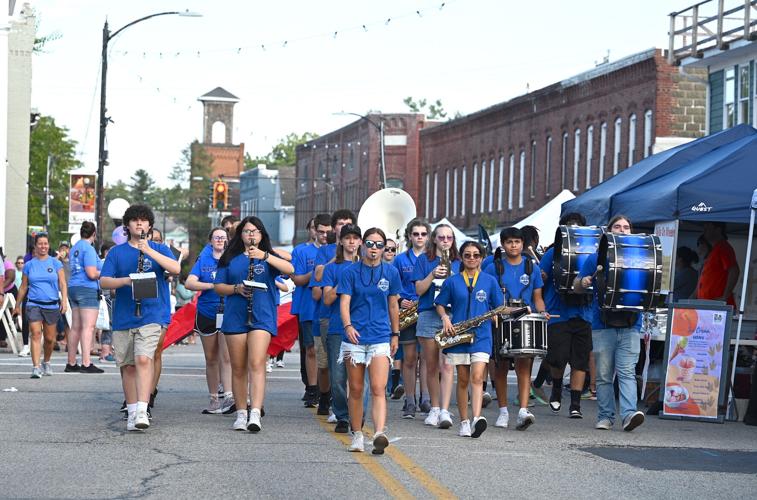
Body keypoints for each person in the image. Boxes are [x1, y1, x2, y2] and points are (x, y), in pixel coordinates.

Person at [100, 204, 179, 431]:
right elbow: (104, 281)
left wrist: (149, 250)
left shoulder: (159, 248)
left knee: (144, 358)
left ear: (150, 225)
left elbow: (175, 268)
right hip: (124, 315)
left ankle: (143, 409)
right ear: (127, 225)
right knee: (128, 366)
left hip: (152, 314)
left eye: (143, 220)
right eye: (134, 220)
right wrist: (126, 281)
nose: (139, 224)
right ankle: (132, 411)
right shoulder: (117, 252)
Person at [214, 216, 294, 432]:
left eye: (255, 231)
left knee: (257, 363)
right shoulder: (230, 257)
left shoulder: (268, 256)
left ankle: (255, 412)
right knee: (238, 367)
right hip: (235, 316)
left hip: (262, 315)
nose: (251, 235)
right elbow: (218, 286)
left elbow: (290, 269)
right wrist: (236, 289)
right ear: (240, 234)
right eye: (247, 231)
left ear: (262, 235)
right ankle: (241, 412)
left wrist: (265, 256)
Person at [574, 214, 645, 432]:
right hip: (602, 324)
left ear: (630, 231)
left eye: (626, 227)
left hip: (631, 323)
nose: (622, 230)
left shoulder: (641, 257)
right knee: (604, 375)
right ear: (609, 230)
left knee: (626, 371)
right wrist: (583, 282)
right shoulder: (597, 257)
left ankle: (628, 415)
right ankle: (605, 416)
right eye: (618, 226)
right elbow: (577, 284)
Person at [339, 227, 401, 454]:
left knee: (378, 387)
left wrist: (396, 334)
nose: (374, 248)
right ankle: (356, 434)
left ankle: (379, 433)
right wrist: (348, 326)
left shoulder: (391, 273)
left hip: (381, 336)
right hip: (355, 337)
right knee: (355, 388)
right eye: (370, 243)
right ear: (363, 245)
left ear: (385, 248)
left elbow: (393, 304)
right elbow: (344, 302)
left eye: (379, 244)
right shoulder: (350, 272)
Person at [436, 241, 503, 438]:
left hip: (481, 335)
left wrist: (518, 311)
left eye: (475, 255)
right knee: (463, 380)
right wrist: (445, 317)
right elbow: (439, 304)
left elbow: (499, 306)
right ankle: (464, 421)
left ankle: (476, 419)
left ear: (481, 258)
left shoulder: (490, 281)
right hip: (458, 335)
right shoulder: (452, 281)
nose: (472, 258)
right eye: (467, 255)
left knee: (477, 376)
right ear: (462, 258)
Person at [484, 227, 546, 430]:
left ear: (522, 244)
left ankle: (523, 410)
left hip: (525, 319)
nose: (513, 245)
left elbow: (537, 298)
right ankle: (503, 411)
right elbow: (486, 294)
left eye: (517, 242)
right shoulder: (493, 267)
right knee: (500, 366)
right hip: (501, 319)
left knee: (524, 365)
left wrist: (542, 312)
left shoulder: (532, 267)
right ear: (503, 245)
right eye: (509, 242)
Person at [539, 213, 593, 419]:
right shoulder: (553, 253)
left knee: (580, 361)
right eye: (569, 228)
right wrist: (541, 276)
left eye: (577, 228)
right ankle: (556, 389)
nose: (573, 231)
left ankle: (576, 404)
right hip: (557, 313)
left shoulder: (590, 253)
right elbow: (540, 279)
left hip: (583, 313)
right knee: (557, 359)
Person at [412, 224, 460, 429]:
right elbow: (419, 290)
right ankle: (434, 406)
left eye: (449, 238)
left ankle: (445, 410)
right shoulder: (424, 260)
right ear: (434, 239)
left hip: (452, 315)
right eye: (441, 238)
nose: (445, 241)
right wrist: (432, 275)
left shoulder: (459, 261)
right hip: (429, 313)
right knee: (431, 365)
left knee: (447, 364)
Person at [186, 227, 236, 415]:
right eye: (216, 237)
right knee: (211, 358)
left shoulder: (232, 259)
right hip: (207, 312)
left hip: (228, 311)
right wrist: (212, 286)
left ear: (228, 240)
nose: (220, 240)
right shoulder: (204, 259)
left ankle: (229, 396)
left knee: (226, 356)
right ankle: (214, 398)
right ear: (210, 240)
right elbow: (190, 283)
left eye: (223, 237)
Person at [309, 211, 356, 410]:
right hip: (330, 318)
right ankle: (328, 399)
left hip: (359, 321)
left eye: (355, 238)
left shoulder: (365, 261)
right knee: (329, 366)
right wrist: (338, 260)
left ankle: (349, 411)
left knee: (353, 371)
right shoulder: (326, 252)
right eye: (340, 224)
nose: (352, 242)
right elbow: (319, 282)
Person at [322, 224, 362, 433]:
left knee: (359, 377)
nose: (352, 242)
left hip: (363, 327)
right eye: (348, 238)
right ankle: (342, 416)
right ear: (341, 241)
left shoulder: (368, 266)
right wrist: (345, 280)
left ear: (361, 242)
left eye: (356, 238)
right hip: (338, 327)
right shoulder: (332, 268)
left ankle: (358, 413)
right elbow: (327, 299)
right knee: (338, 378)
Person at [13, 233, 67, 378]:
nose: (43, 246)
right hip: (33, 304)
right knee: (36, 334)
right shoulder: (29, 265)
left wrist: (64, 301)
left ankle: (46, 361)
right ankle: (36, 367)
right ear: (35, 246)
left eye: (45, 243)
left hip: (51, 305)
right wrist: (17, 305)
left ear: (49, 245)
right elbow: (23, 286)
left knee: (50, 339)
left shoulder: (56, 263)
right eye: (40, 244)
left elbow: (62, 283)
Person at [293, 214, 332, 408]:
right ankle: (312, 388)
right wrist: (319, 268)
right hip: (308, 306)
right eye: (321, 231)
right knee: (310, 348)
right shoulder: (302, 251)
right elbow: (297, 279)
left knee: (327, 350)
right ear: (314, 231)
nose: (324, 235)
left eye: (328, 232)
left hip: (328, 307)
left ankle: (327, 389)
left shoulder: (336, 251)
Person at [393, 218, 430, 419]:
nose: (419, 237)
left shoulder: (432, 258)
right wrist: (401, 300)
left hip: (425, 310)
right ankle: (409, 400)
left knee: (426, 357)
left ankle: (425, 398)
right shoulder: (400, 259)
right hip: (407, 311)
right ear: (409, 236)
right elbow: (393, 284)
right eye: (416, 234)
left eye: (423, 234)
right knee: (409, 359)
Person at [66, 221, 104, 373]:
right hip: (87, 288)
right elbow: (92, 273)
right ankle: (86, 363)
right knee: (88, 327)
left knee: (76, 326)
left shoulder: (74, 248)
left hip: (74, 287)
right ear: (94, 234)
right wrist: (107, 274)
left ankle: (71, 362)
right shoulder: (88, 249)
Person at [696, 222, 739, 306]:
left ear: (718, 229)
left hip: (717, 307)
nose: (704, 229)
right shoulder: (715, 249)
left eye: (708, 226)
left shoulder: (723, 247)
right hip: (710, 305)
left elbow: (734, 270)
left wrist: (725, 296)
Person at [98, 242, 115, 363]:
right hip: (107, 296)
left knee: (107, 325)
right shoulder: (105, 262)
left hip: (103, 296)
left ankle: (107, 351)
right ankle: (105, 352)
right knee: (108, 324)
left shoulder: (100, 263)